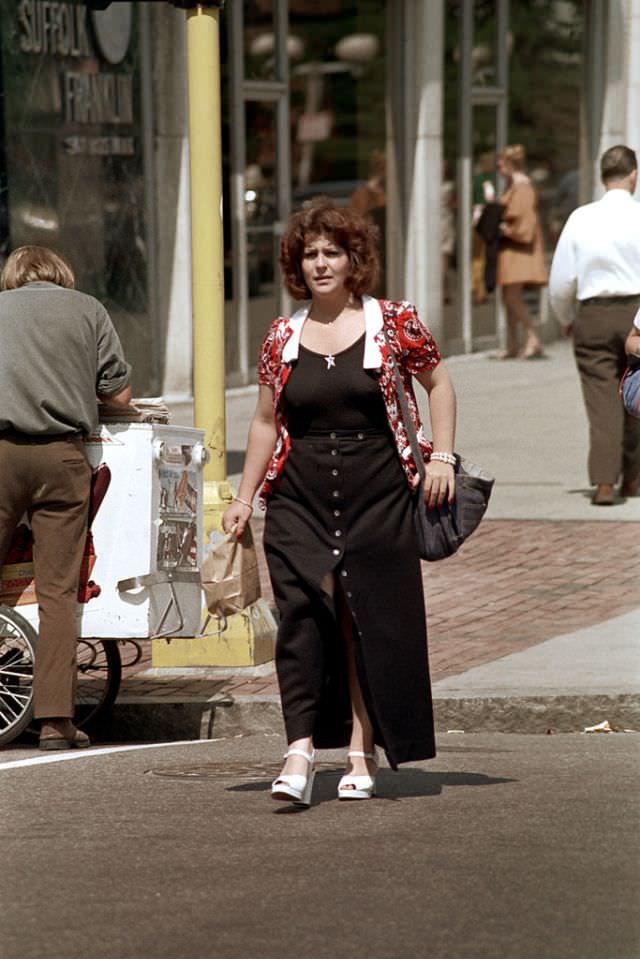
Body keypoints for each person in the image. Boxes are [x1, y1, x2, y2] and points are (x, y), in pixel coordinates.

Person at [222, 200, 457, 806]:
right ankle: (298, 751)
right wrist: (242, 498)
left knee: (366, 622)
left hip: (378, 493)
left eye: (332, 252)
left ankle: (361, 746)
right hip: (298, 496)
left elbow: (440, 383)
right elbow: (264, 422)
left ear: (356, 260)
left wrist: (442, 457)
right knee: (301, 618)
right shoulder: (282, 335)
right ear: (297, 265)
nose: (321, 263)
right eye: (310, 253)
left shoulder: (395, 321)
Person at [0, 246, 132, 748]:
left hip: (1, 455)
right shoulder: (88, 310)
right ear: (61, 273)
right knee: (57, 594)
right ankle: (56, 721)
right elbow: (119, 395)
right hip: (62, 459)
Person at [549, 144, 640, 504]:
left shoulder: (581, 218)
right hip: (637, 310)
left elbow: (560, 282)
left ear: (604, 176)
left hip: (594, 311)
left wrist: (567, 319)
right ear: (633, 174)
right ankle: (633, 478)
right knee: (635, 394)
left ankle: (604, 481)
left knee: (601, 399)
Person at [495, 144, 547, 359]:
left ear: (509, 165)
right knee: (508, 298)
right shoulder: (515, 186)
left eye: (501, 164)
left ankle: (532, 338)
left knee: (512, 297)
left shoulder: (522, 187)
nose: (499, 168)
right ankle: (514, 343)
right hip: (512, 249)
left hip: (518, 249)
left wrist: (504, 228)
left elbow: (525, 223)